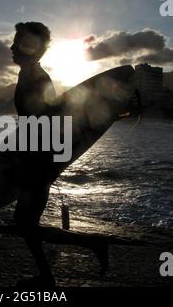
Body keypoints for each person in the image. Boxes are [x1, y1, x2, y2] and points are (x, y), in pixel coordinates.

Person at [10, 22, 108, 287]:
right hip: (35, 156)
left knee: (24, 222)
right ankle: (49, 274)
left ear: (33, 48)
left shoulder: (36, 77)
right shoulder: (28, 74)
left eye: (18, 41)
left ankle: (88, 245)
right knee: (25, 222)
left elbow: (44, 121)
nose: (12, 47)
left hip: (38, 159)